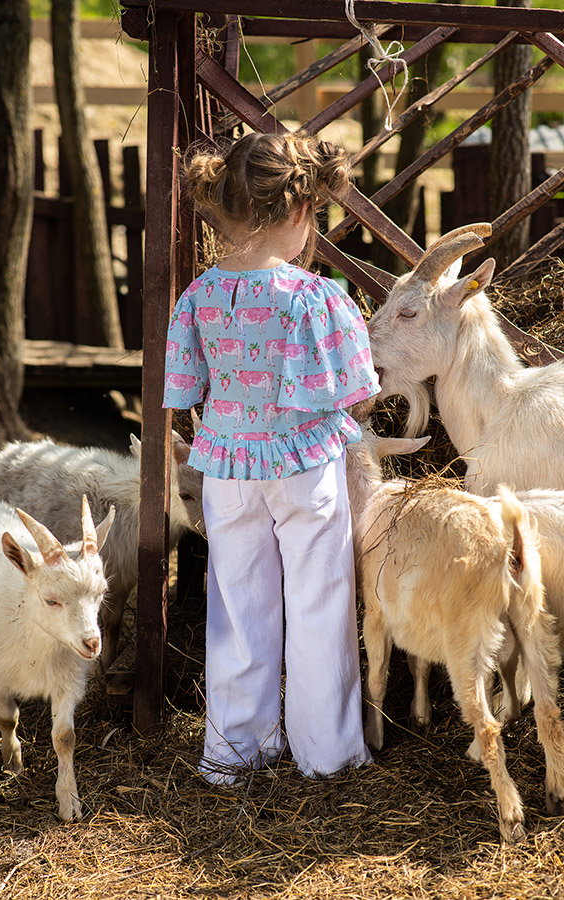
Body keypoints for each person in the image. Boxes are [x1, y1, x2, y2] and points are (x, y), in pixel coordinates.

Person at [163, 131, 380, 785]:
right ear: (297, 212)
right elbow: (360, 392)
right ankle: (327, 755)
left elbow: (182, 389)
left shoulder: (197, 296)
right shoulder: (316, 297)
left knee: (237, 605)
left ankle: (234, 756)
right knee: (320, 602)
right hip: (305, 466)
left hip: (228, 467)